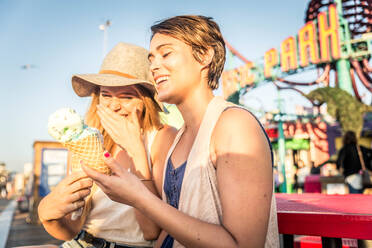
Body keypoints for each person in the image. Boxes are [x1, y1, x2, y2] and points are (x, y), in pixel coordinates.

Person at [83, 15, 279, 247]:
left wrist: (138, 197)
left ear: (205, 56)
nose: (154, 66)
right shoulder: (181, 138)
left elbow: (244, 245)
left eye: (166, 54)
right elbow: (171, 229)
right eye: (152, 58)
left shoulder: (234, 125)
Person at [38, 42, 177, 247]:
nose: (113, 105)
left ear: (145, 101)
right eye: (106, 94)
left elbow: (151, 231)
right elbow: (70, 231)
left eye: (127, 96)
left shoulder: (162, 138)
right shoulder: (91, 141)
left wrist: (137, 151)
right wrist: (47, 214)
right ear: (97, 99)